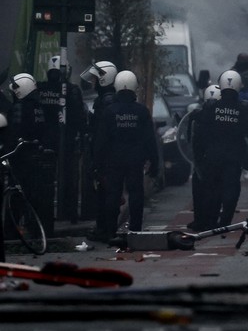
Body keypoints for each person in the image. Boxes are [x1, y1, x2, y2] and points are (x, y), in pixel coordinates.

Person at [93, 71, 158, 239]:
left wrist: (97, 164)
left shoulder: (109, 112)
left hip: (113, 160)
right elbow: (150, 139)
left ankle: (110, 231)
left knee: (113, 195)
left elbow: (101, 140)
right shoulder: (141, 111)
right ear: (134, 88)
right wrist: (154, 161)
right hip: (135, 160)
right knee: (136, 193)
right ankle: (135, 229)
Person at [194, 70, 248, 229]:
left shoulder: (212, 107)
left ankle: (209, 221)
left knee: (211, 189)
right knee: (231, 189)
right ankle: (225, 221)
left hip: (213, 155)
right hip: (234, 157)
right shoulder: (244, 109)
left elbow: (199, 129)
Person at [37, 56, 87, 222]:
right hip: (67, 141)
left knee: (44, 180)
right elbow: (80, 116)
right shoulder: (71, 90)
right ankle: (69, 213)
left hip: (44, 141)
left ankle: (44, 215)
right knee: (69, 178)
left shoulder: (40, 89)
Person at [80, 61, 118, 240]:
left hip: (107, 155)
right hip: (104, 153)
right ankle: (103, 228)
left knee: (106, 192)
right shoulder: (104, 99)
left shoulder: (108, 100)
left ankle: (106, 229)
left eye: (96, 79)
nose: (93, 83)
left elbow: (104, 131)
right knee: (102, 192)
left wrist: (98, 158)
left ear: (104, 79)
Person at [185, 84, 220, 231]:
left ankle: (199, 220)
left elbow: (188, 138)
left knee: (199, 190)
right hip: (216, 158)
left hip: (200, 158)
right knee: (216, 190)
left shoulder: (196, 115)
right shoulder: (221, 115)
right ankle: (212, 220)